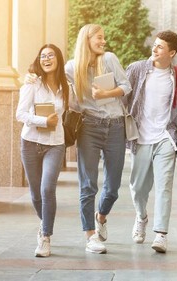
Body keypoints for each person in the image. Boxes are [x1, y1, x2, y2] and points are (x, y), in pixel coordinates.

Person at [66, 24, 132, 254]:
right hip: (89, 127)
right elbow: (54, 82)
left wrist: (106, 93)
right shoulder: (72, 67)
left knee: (113, 187)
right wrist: (33, 77)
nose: (104, 41)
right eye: (99, 38)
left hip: (115, 126)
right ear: (87, 39)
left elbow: (127, 85)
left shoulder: (110, 59)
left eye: (104, 37)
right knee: (88, 185)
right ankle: (90, 236)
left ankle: (101, 216)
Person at [124, 30, 177, 253]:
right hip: (140, 137)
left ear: (172, 52)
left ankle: (161, 234)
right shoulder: (137, 69)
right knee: (138, 187)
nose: (155, 49)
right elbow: (123, 96)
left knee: (164, 186)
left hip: (166, 137)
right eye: (155, 45)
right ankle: (141, 217)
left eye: (161, 47)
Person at [16, 44, 76, 257]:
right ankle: (45, 224)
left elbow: (75, 106)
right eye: (42, 56)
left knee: (47, 189)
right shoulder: (32, 83)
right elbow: (20, 114)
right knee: (35, 194)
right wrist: (43, 120)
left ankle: (45, 236)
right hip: (31, 142)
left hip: (55, 143)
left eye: (51, 55)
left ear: (58, 59)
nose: (46, 59)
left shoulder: (66, 86)